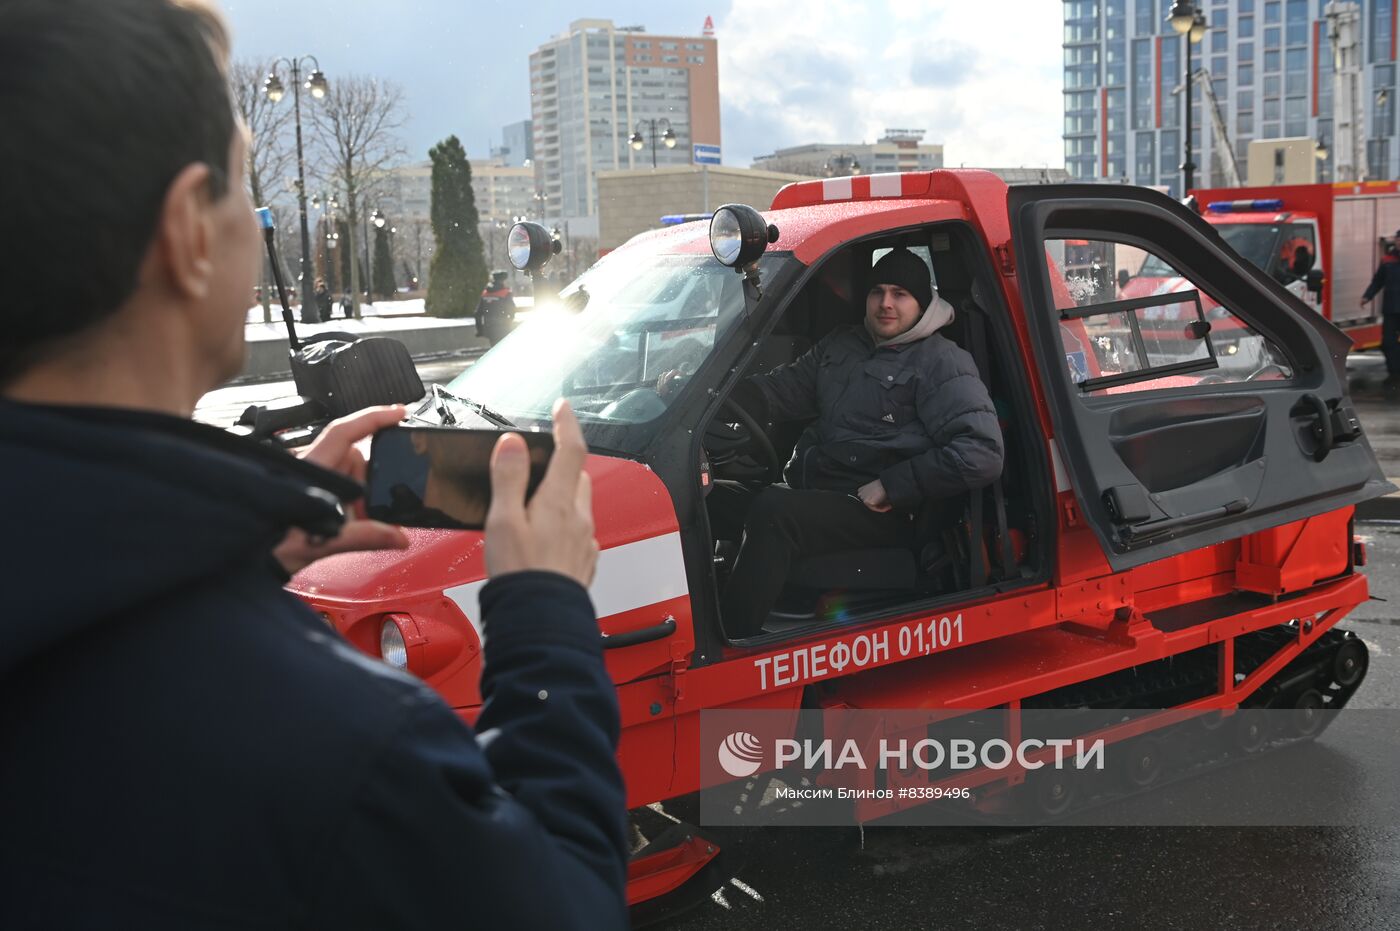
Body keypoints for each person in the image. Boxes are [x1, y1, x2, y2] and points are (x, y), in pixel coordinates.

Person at [0, 2, 626, 928]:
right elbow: (568, 904)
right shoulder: (342, 745)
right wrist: (544, 616)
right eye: (245, 187)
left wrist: (228, 553)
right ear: (188, 233)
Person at [716, 248, 1004, 639]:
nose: (886, 303)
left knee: (773, 510)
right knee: (709, 499)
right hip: (821, 491)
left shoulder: (941, 362)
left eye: (900, 293)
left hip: (886, 510)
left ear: (922, 303)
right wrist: (707, 397)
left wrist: (893, 485)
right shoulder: (842, 346)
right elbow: (781, 391)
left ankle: (733, 642)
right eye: (878, 291)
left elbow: (982, 452)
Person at [1361, 229, 1400, 390]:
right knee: (1388, 343)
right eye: (1399, 240)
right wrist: (1367, 296)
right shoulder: (1388, 260)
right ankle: (1394, 373)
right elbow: (1378, 281)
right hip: (1391, 309)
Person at [476, 269, 517, 346]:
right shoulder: (505, 293)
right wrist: (509, 322)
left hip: (489, 328)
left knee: (494, 347)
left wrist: (480, 330)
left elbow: (477, 313)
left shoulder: (485, 293)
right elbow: (512, 309)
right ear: (503, 280)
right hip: (503, 328)